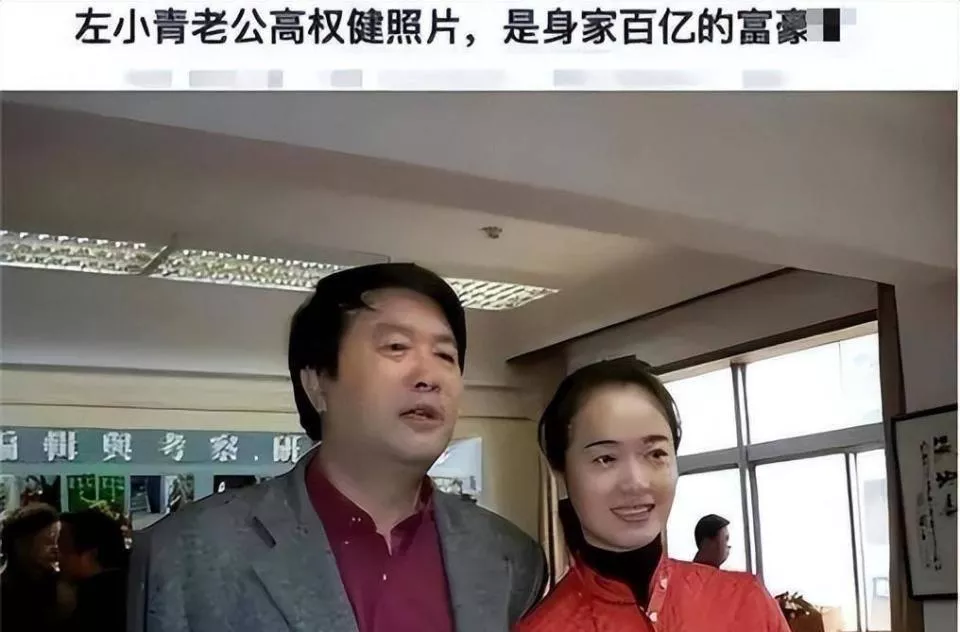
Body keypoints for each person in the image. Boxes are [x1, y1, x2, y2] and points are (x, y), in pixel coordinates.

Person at [129, 263, 546, 632]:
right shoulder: (189, 552)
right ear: (317, 384)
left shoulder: (510, 557)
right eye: (396, 347)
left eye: (445, 355)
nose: (429, 376)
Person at [517, 358, 789, 632]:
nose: (636, 482)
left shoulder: (746, 603)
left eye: (656, 454)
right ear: (560, 471)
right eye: (606, 458)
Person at [59, 509, 128, 632]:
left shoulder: (90, 608)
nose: (56, 557)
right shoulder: (134, 593)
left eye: (62, 548)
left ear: (90, 556)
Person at [0, 503, 63, 632]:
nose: (56, 548)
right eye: (49, 541)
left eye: (59, 541)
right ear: (21, 544)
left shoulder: (63, 586)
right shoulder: (5, 593)